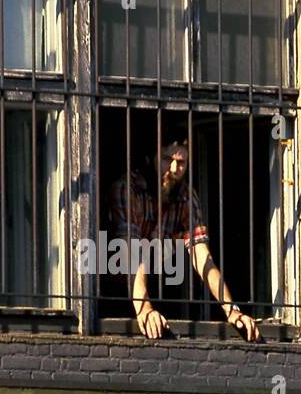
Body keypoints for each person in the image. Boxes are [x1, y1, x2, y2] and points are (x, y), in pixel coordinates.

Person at [107, 142, 260, 341]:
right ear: (151, 158)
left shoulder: (187, 196)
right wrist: (144, 307)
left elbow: (202, 256)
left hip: (160, 282)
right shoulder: (127, 188)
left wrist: (231, 309)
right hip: (113, 287)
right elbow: (130, 249)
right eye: (166, 160)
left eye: (181, 162)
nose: (173, 169)